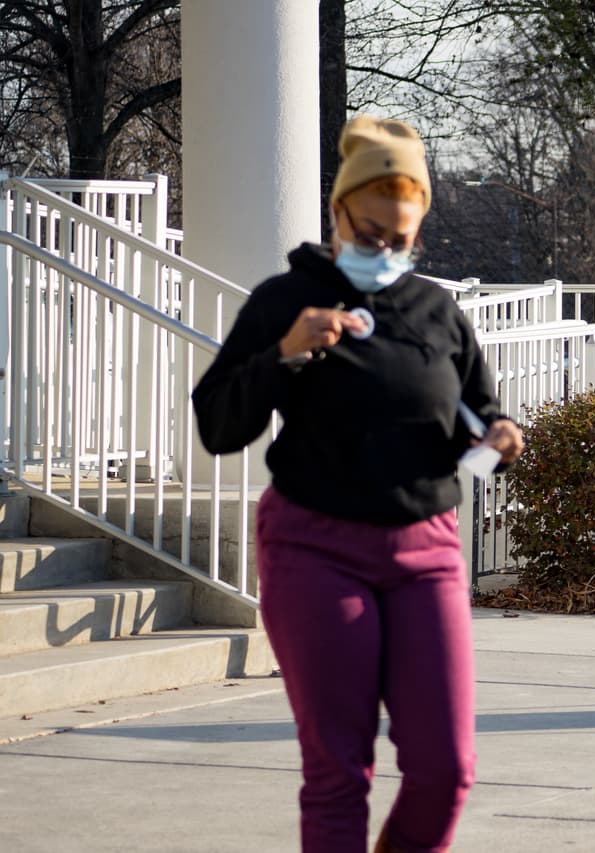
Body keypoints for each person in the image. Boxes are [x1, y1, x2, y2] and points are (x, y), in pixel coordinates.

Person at [192, 115, 522, 853]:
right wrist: (284, 353)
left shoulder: (437, 311)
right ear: (337, 213)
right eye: (370, 233)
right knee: (340, 771)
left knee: (446, 767)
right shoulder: (288, 300)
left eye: (401, 238)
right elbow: (217, 424)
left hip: (426, 548)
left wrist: (499, 438)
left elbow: (478, 413)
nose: (385, 251)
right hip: (316, 547)